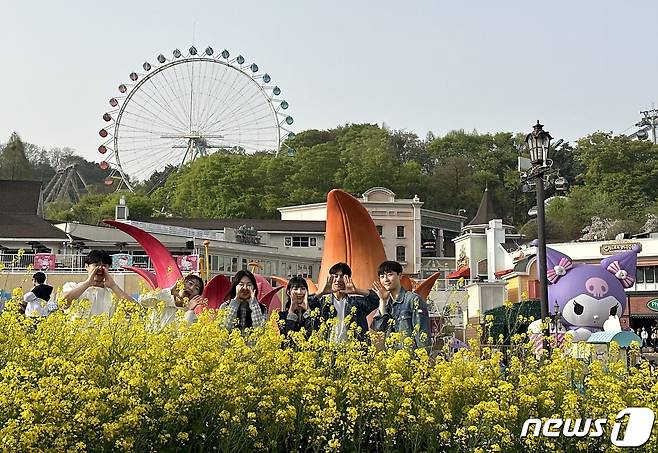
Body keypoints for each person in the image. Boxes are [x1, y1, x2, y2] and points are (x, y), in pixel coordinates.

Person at [310, 262, 379, 343]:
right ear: (330, 278)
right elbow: (305, 303)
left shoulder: (357, 303)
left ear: (348, 279)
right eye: (335, 276)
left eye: (342, 276)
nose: (338, 280)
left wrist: (357, 291)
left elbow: (377, 298)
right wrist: (321, 292)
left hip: (354, 351)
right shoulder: (323, 303)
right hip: (328, 350)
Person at [371, 260, 431, 349]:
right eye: (382, 276)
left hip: (410, 358)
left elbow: (422, 334)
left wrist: (422, 359)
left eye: (390, 275)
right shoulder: (386, 303)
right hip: (392, 359)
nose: (386, 280)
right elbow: (379, 328)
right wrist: (382, 301)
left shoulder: (413, 300)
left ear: (400, 275)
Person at [61, 250, 134, 317]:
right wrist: (88, 283)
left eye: (104, 266)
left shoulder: (113, 293)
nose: (100, 269)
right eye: (96, 265)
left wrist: (113, 286)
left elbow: (135, 310)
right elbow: (63, 303)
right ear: (86, 266)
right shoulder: (72, 286)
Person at [139, 274, 207, 326]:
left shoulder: (192, 316)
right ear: (182, 283)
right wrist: (170, 291)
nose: (191, 288)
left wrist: (189, 311)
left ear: (197, 296)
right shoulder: (163, 299)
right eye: (190, 283)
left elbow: (182, 336)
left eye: (196, 288)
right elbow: (142, 301)